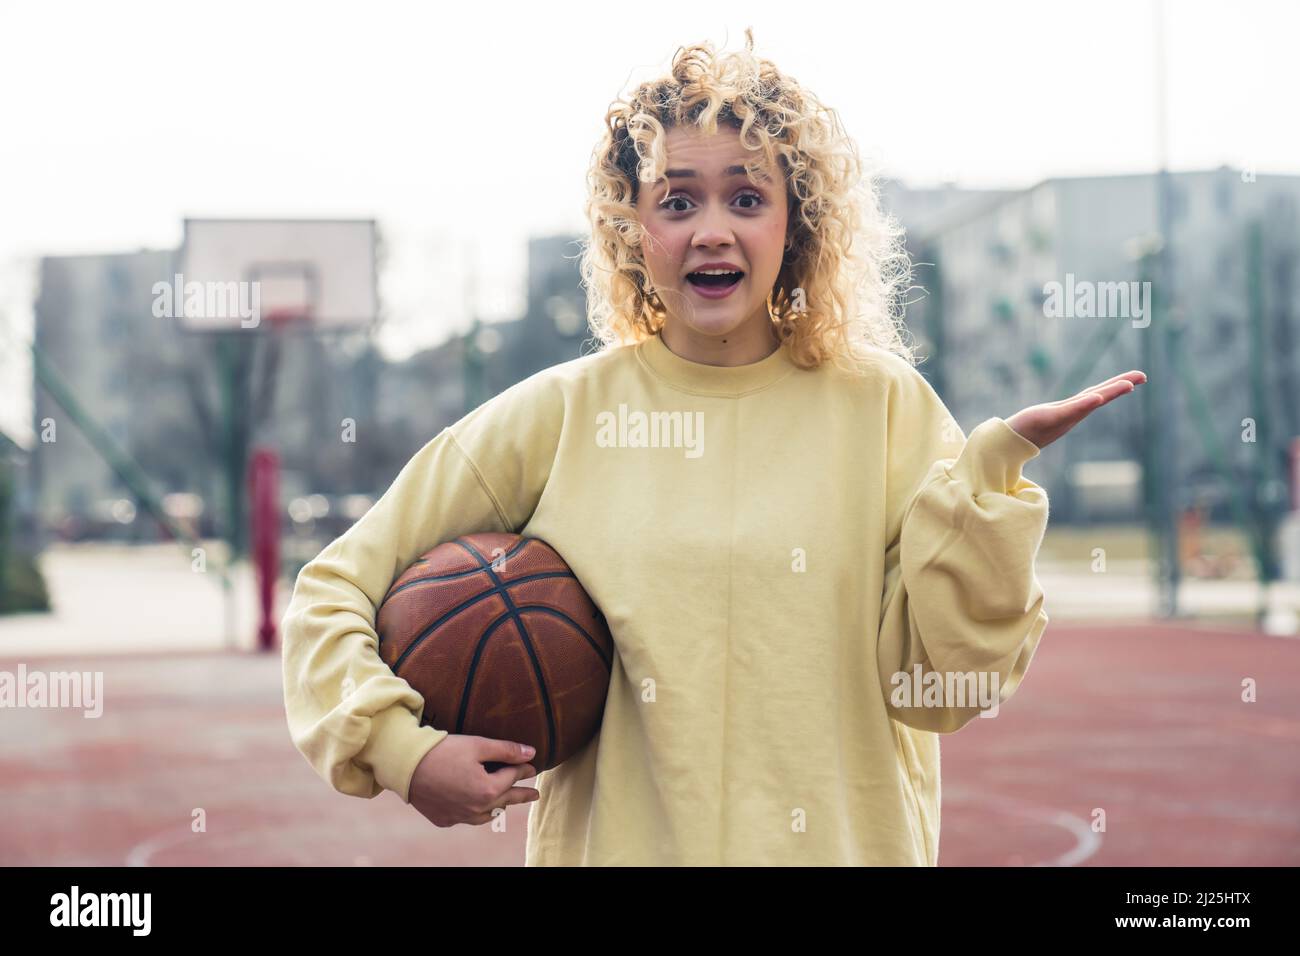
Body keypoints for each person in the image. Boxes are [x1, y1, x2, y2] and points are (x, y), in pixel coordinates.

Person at [280, 30, 1145, 865]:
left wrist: (989, 483)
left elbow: (953, 687)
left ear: (796, 223)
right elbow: (334, 588)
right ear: (632, 229)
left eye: (746, 196)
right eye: (677, 199)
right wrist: (401, 749)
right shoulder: (556, 416)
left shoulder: (886, 410)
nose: (712, 229)